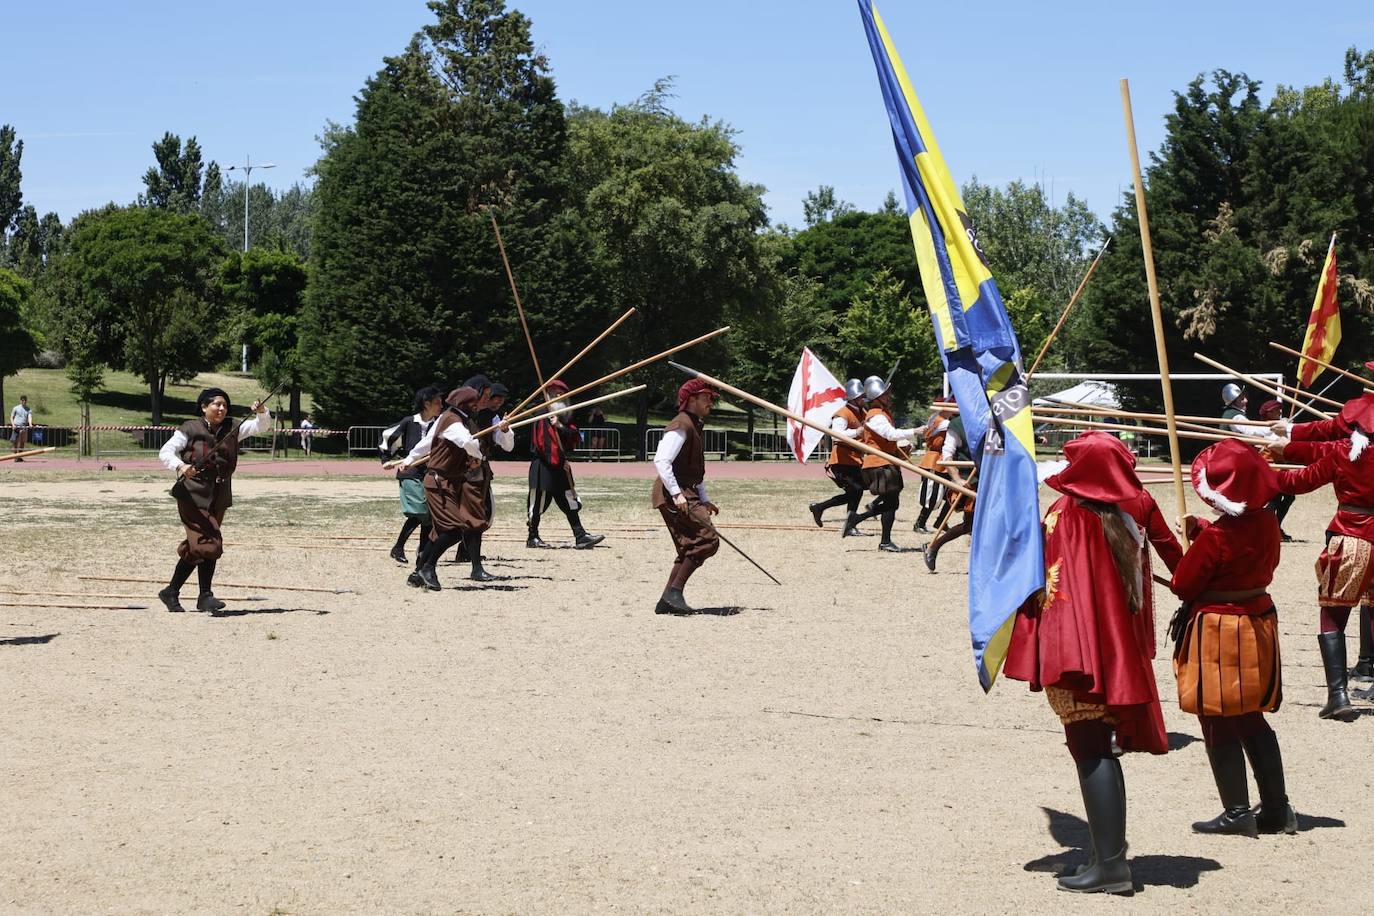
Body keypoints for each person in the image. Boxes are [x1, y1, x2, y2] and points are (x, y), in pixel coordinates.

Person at [1003, 432, 1168, 895]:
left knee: (1090, 748)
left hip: (1079, 654)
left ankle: (1112, 867)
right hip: (1110, 652)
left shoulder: (1068, 516)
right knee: (1097, 747)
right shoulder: (1119, 516)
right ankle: (1105, 856)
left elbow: (1048, 585)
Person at [1171, 440, 1296, 837]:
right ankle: (1277, 809)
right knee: (1249, 714)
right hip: (1257, 621)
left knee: (1216, 712)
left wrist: (1197, 540)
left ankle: (1237, 811)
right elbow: (1241, 547)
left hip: (1220, 629)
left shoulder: (1217, 539)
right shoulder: (1268, 523)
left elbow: (1183, 584)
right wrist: (1203, 529)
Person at [1268, 394, 1374, 722]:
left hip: (1352, 536)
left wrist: (1263, 471)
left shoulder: (1343, 452)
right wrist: (1287, 443)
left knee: (1332, 615)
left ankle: (1338, 695)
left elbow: (1299, 481)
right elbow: (1314, 448)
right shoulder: (1340, 450)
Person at [156, 388, 271, 615]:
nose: (221, 409)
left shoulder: (233, 427)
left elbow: (261, 426)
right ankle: (205, 596)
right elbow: (166, 451)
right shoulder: (189, 428)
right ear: (203, 407)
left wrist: (262, 411)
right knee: (211, 540)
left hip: (219, 494)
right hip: (192, 494)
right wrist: (180, 466)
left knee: (198, 547)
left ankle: (171, 591)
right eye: (217, 404)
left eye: (225, 405)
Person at [399, 382, 513, 589]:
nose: (479, 405)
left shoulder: (449, 418)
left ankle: (418, 573)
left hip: (448, 481)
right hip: (439, 482)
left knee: (442, 530)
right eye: (474, 402)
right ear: (466, 404)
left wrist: (408, 459)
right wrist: (478, 455)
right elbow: (468, 442)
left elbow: (427, 443)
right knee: (454, 529)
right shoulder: (453, 421)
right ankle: (428, 567)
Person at [651, 379, 721, 614]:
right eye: (706, 398)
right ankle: (674, 593)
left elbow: (695, 470)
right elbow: (661, 460)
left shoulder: (694, 424)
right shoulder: (681, 424)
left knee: (690, 547)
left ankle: (666, 600)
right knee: (707, 539)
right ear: (691, 400)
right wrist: (677, 495)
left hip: (686, 491)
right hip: (674, 494)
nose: (710, 402)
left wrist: (704, 497)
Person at [527, 379, 605, 549]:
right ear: (548, 395)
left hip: (559, 466)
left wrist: (560, 426)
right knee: (538, 502)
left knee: (569, 501)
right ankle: (532, 537)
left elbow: (575, 436)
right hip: (544, 466)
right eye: (555, 394)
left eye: (562, 395)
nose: (559, 397)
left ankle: (580, 535)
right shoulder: (541, 413)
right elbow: (543, 443)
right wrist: (558, 461)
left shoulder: (563, 416)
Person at [847, 375, 921, 552]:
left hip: (886, 462)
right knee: (891, 502)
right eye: (886, 394)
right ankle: (867, 527)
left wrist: (902, 448)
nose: (889, 397)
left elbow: (888, 440)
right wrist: (915, 431)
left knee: (892, 501)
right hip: (879, 464)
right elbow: (890, 434)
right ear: (877, 397)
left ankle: (868, 526)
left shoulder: (882, 414)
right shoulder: (875, 416)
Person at [379, 386, 443, 564]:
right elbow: (388, 436)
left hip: (430, 472)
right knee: (420, 512)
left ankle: (422, 551)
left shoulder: (438, 424)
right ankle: (399, 547)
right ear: (426, 404)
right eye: (437, 402)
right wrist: (386, 459)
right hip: (410, 471)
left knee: (429, 514)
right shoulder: (409, 422)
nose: (440, 405)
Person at [807, 378, 870, 536]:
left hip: (855, 459)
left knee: (858, 490)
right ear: (855, 397)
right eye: (862, 396)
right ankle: (848, 523)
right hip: (842, 459)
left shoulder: (863, 412)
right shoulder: (842, 414)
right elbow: (836, 435)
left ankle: (821, 508)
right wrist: (857, 432)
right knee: (856, 490)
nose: (864, 399)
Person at [922, 412, 976, 572]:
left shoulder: (993, 419)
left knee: (983, 523)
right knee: (970, 524)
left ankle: (933, 546)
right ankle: (934, 546)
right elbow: (947, 454)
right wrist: (957, 479)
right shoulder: (957, 425)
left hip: (992, 478)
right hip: (970, 480)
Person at [1252, 399, 1295, 540]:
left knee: (1288, 496)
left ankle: (1274, 527)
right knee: (1275, 498)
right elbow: (1280, 444)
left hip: (1279, 469)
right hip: (1270, 470)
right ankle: (1269, 528)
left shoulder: (1276, 427)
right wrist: (1286, 429)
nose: (1280, 411)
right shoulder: (1267, 429)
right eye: (1277, 410)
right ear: (1269, 413)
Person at [913, 398, 954, 533]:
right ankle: (920, 523)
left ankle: (941, 521)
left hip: (942, 460)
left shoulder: (936, 419)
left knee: (951, 493)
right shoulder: (943, 422)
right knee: (932, 494)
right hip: (935, 459)